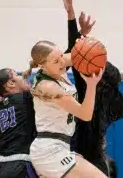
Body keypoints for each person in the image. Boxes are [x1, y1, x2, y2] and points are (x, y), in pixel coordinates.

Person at [58, 0, 123, 176]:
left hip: (74, 158)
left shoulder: (86, 87)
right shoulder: (113, 102)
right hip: (95, 159)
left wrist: (72, 16)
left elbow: (74, 50)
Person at [23, 40, 107, 177]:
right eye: (56, 61)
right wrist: (92, 85)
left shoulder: (57, 65)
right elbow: (85, 114)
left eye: (62, 55)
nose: (62, 62)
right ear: (42, 66)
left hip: (60, 146)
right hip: (49, 151)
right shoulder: (47, 87)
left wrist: (88, 42)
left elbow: (84, 54)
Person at [0, 68, 38, 178]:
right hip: (19, 164)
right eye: (18, 74)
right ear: (10, 83)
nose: (23, 77)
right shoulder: (26, 98)